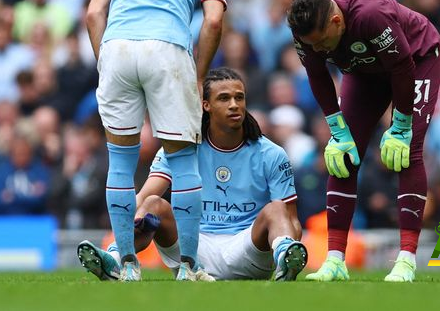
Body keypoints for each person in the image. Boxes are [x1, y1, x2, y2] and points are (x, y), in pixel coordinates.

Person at [85, 0, 227, 282]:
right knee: (182, 163)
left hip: (115, 47)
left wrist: (105, 63)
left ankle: (127, 265)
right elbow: (213, 20)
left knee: (120, 161)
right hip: (165, 48)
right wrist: (198, 77)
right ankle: (190, 267)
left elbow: (94, 13)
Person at [77, 68, 306, 281]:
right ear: (206, 105)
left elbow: (291, 219)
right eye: (224, 98)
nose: (234, 104)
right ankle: (115, 259)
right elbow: (143, 198)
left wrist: (290, 245)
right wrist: (121, 230)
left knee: (277, 208)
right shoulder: (180, 149)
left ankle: (285, 261)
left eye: (239, 97)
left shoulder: (272, 154)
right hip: (191, 249)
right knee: (154, 204)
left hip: (247, 249)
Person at [287, 0, 440, 282]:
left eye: (322, 43)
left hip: (416, 59)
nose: (319, 50)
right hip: (363, 69)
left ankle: (406, 260)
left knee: (406, 151)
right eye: (312, 45)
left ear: (336, 21)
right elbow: (317, 75)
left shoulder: (371, 15)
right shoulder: (304, 27)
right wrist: (337, 130)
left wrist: (400, 126)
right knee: (343, 154)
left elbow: (402, 68)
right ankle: (334, 260)